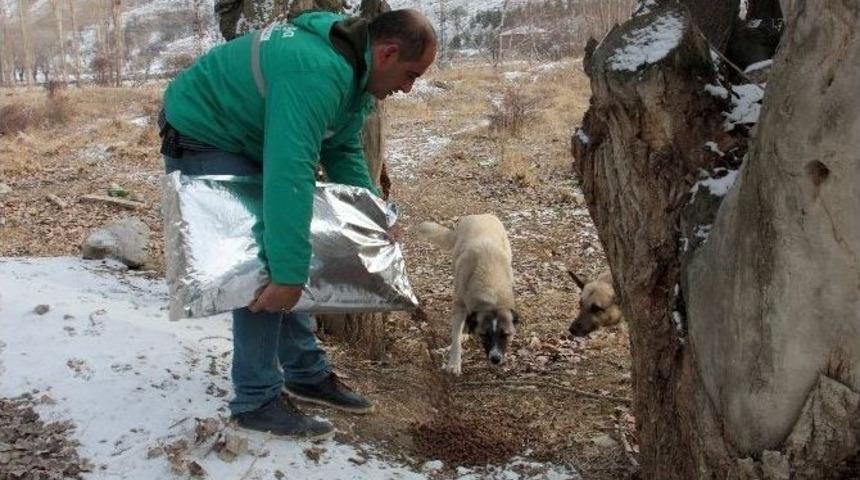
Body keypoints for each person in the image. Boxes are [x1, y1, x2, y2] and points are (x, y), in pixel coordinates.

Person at [160, 9, 437, 440]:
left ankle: (305, 373)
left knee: (287, 248)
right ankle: (256, 400)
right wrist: (288, 276)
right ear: (388, 53)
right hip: (207, 129)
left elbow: (340, 147)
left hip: (248, 130)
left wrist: (374, 216)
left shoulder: (353, 71)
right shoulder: (316, 73)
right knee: (262, 264)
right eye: (411, 74)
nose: (407, 88)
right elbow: (289, 174)